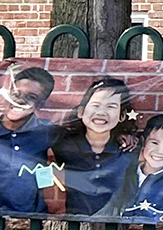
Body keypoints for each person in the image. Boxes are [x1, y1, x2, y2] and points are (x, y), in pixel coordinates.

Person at [0, 65, 61, 214]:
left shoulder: (47, 132)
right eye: (16, 93)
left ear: (40, 104)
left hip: (31, 217)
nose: (20, 100)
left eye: (31, 97)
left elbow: (80, 126)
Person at [52, 78, 142, 218]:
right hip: (75, 224)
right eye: (96, 105)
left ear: (122, 116)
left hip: (116, 225)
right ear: (81, 112)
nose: (101, 112)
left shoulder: (130, 150)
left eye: (111, 107)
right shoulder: (63, 143)